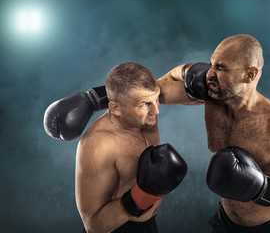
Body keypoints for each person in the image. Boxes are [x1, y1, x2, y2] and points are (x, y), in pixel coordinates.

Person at [160, 34, 270, 232]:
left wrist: (260, 187)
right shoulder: (212, 95)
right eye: (211, 64)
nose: (210, 73)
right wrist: (187, 71)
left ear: (249, 75)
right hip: (225, 223)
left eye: (221, 68)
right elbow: (154, 92)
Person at [44, 62, 188, 233]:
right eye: (145, 104)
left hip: (149, 226)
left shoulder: (144, 109)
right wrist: (141, 196)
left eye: (156, 99)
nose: (156, 110)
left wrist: (188, 72)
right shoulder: (99, 144)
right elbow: (94, 226)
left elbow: (194, 92)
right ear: (115, 108)